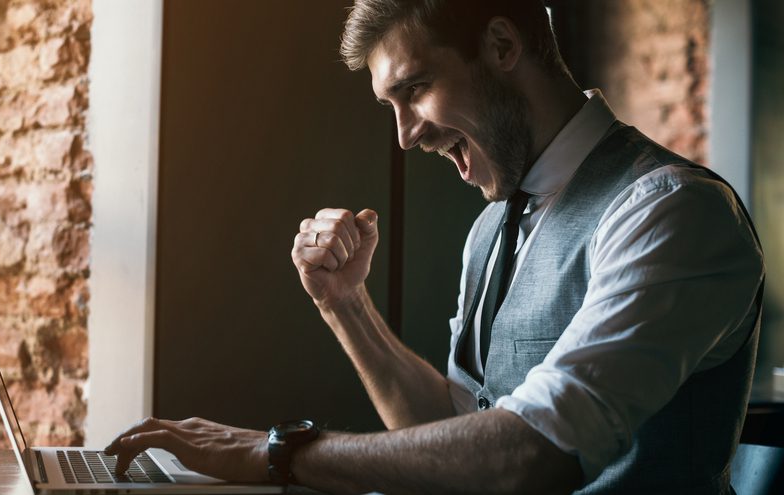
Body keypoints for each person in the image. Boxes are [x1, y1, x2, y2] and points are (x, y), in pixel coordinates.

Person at [104, 1, 765, 493]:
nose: (403, 135)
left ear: (503, 44)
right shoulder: (490, 229)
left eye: (414, 89)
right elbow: (447, 428)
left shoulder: (673, 213)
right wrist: (346, 304)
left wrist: (278, 451)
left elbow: (534, 450)